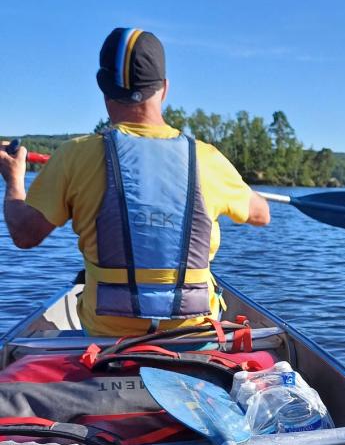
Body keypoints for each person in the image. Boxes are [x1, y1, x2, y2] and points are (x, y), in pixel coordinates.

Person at [0, 28, 270, 337]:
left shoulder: (74, 155)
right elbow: (262, 215)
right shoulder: (208, 160)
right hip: (193, 334)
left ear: (103, 88)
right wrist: (244, 192)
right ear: (165, 88)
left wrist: (14, 179)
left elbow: (24, 234)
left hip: (107, 336)